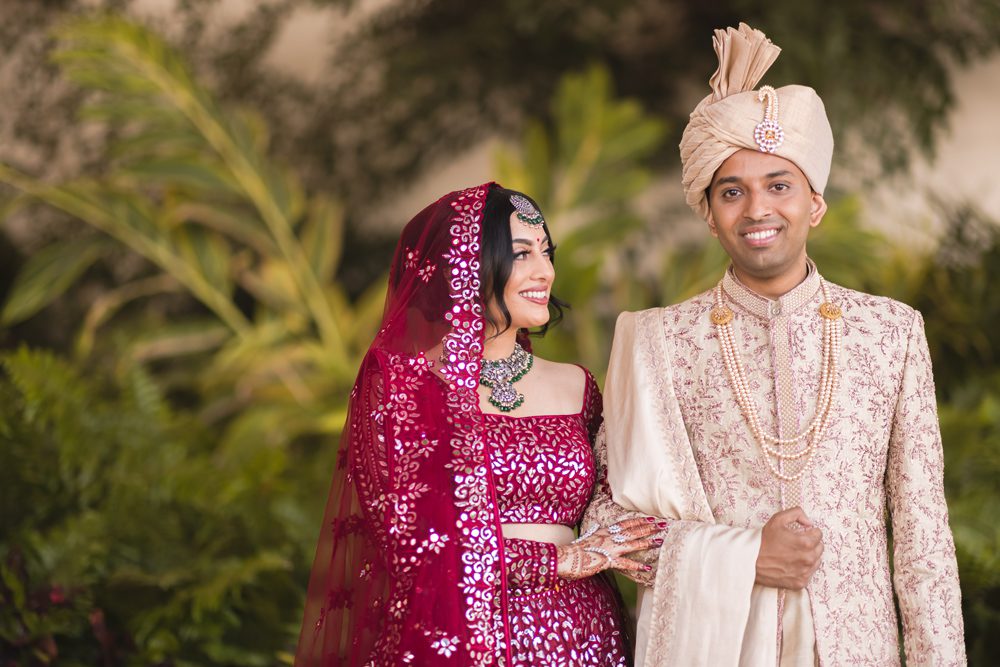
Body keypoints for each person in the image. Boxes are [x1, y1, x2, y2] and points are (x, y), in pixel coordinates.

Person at [584, 23, 966, 666]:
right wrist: (742, 558)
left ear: (815, 203)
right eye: (732, 192)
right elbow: (603, 524)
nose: (757, 209)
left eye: (779, 186)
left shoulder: (890, 332)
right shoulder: (659, 342)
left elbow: (924, 540)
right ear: (709, 213)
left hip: (857, 652)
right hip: (718, 649)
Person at [295, 182, 661, 666]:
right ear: (466, 263)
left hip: (586, 637)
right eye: (522, 254)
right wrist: (559, 561)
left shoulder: (578, 387)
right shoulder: (405, 387)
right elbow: (413, 543)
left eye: (546, 253)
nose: (544, 271)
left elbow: (615, 499)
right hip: (461, 638)